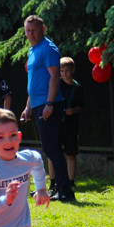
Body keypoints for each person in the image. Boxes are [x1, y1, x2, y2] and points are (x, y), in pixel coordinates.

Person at [19, 15, 74, 202]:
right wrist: (28, 107)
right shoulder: (32, 50)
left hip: (49, 104)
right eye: (27, 31)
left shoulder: (48, 48)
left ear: (42, 29)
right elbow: (33, 82)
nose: (30, 34)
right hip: (38, 104)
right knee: (49, 149)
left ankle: (65, 191)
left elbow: (54, 77)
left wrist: (49, 103)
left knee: (52, 149)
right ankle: (59, 188)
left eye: (34, 30)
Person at [51, 56, 83, 192]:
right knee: (53, 152)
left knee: (71, 153)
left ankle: (71, 181)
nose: (64, 74)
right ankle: (53, 181)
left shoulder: (77, 88)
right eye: (62, 71)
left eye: (67, 71)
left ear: (73, 70)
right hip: (57, 122)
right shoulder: (56, 85)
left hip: (70, 124)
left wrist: (73, 110)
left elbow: (81, 106)